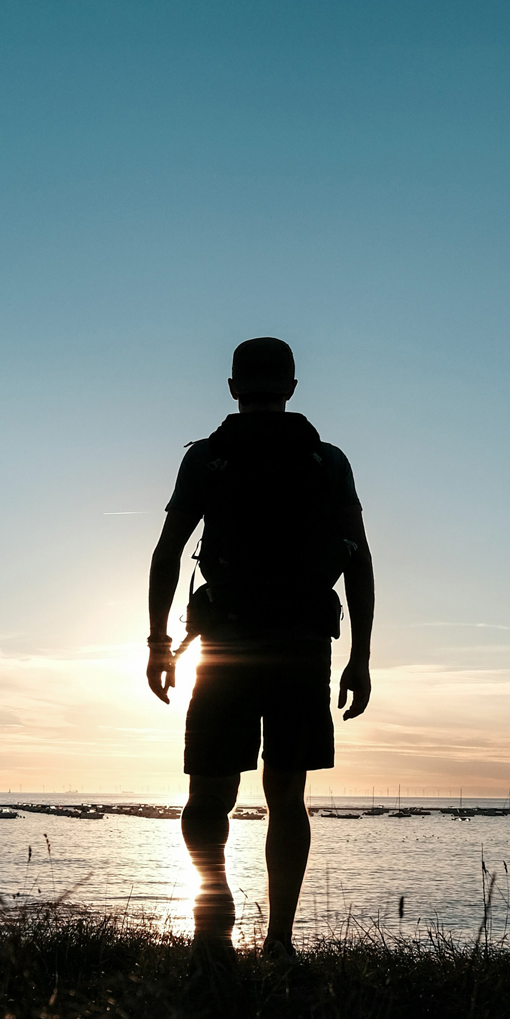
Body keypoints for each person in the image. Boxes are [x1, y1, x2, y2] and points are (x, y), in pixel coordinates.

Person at [146, 337, 374, 964]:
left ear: (232, 387)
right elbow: (359, 561)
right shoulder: (327, 461)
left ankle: (212, 923)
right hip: (302, 647)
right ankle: (279, 942)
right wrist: (360, 656)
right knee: (287, 799)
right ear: (292, 388)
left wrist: (159, 642)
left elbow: (168, 552)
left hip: (226, 644)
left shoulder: (208, 457)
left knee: (208, 794)